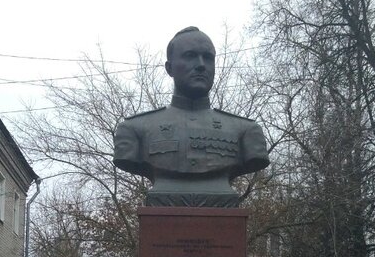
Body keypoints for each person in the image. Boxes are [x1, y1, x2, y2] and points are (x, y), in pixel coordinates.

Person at [113, 27, 269, 207]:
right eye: (190, 56)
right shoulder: (134, 129)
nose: (201, 64)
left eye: (208, 58)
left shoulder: (246, 131)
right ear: (169, 68)